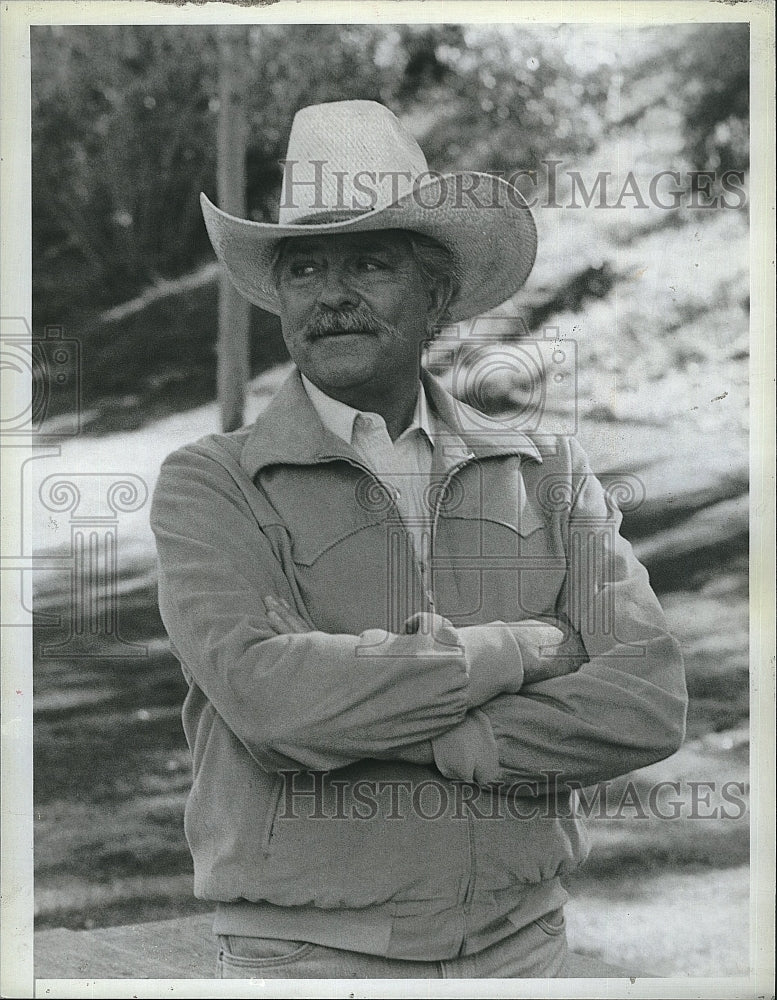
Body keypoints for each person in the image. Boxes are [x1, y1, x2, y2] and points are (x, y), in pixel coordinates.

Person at [150, 100, 687, 979]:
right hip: (311, 960)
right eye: (304, 268)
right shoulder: (211, 482)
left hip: (523, 950)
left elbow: (647, 699)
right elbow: (266, 703)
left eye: (369, 262)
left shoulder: (545, 466)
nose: (332, 296)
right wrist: (516, 650)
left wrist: (427, 730)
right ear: (278, 295)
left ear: (436, 293)